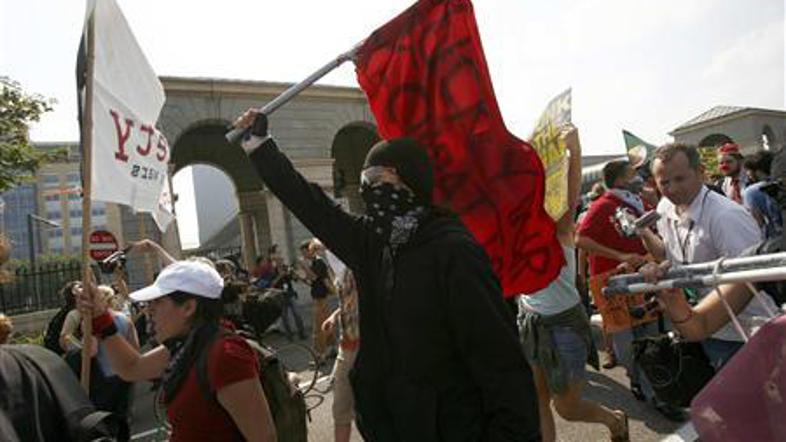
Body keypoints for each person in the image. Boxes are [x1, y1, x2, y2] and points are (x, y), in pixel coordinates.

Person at [233, 109, 541, 440]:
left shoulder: (454, 251)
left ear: (407, 179)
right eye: (365, 180)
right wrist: (259, 146)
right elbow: (311, 205)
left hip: (454, 426)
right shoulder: (371, 241)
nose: (368, 188)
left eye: (378, 178)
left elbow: (499, 360)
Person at [77, 260, 276, 441]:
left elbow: (264, 439)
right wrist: (100, 317)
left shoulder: (225, 353)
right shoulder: (186, 345)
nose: (149, 310)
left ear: (189, 307)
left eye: (158, 301)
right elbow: (131, 368)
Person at [518, 127, 628, 441]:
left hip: (563, 325)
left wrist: (574, 153)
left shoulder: (558, 227)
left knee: (567, 407)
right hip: (529, 321)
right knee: (537, 401)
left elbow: (570, 193)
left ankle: (614, 420)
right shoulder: (512, 234)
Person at [637, 143, 768, 368]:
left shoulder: (726, 216)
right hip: (701, 328)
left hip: (745, 335)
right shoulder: (665, 208)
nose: (672, 189)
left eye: (680, 179)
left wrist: (701, 321)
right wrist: (646, 241)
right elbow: (667, 254)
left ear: (701, 173)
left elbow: (751, 281)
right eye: (664, 182)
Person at [575, 159, 665, 417]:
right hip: (613, 282)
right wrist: (619, 256)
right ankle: (638, 380)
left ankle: (653, 387)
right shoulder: (603, 205)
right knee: (626, 340)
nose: (639, 178)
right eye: (632, 174)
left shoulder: (638, 203)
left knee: (650, 334)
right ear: (620, 180)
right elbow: (581, 239)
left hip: (642, 275)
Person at [60, 284, 139, 426]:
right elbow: (135, 349)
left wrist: (78, 345)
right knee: (123, 421)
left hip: (104, 379)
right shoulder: (125, 319)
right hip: (126, 376)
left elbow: (91, 351)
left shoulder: (92, 323)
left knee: (106, 422)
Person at [322, 267, 360, 442]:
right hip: (347, 346)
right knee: (341, 408)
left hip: (366, 347)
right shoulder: (339, 271)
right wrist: (334, 316)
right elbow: (347, 302)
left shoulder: (358, 263)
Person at [742, 150, 782, 239]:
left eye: (748, 171)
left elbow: (758, 223)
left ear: (757, 170)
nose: (747, 174)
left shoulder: (752, 192)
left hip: (774, 237)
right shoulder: (780, 184)